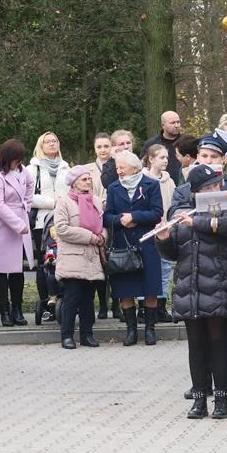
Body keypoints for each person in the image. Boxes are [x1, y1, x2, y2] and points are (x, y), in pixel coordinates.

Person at [169, 133, 227, 400]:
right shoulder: (184, 190)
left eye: (213, 157)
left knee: (225, 329)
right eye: (203, 156)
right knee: (198, 332)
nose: (207, 160)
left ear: (223, 159)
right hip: (193, 265)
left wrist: (203, 222)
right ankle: (200, 383)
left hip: (226, 262)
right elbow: (175, 224)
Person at [157, 165, 227, 419]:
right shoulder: (181, 212)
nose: (214, 190)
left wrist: (197, 221)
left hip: (217, 284)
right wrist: (163, 239)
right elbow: (174, 253)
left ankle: (221, 400)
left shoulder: (226, 208)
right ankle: (198, 399)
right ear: (195, 191)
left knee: (217, 342)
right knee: (196, 345)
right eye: (208, 187)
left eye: (217, 185)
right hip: (189, 287)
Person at [103, 151, 163, 346]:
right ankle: (131, 330)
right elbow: (106, 216)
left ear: (135, 168)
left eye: (122, 167)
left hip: (146, 244)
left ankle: (150, 329)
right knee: (125, 288)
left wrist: (134, 217)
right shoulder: (113, 188)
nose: (118, 171)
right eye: (117, 167)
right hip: (123, 245)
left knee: (150, 287)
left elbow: (157, 212)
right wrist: (120, 220)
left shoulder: (151, 184)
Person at [0, 139, 34, 327]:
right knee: (0, 269)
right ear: (7, 157)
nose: (18, 162)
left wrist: (26, 205)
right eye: (16, 159)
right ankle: (4, 309)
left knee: (17, 268)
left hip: (19, 220)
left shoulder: (22, 171)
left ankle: (17, 309)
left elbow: (30, 186)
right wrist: (18, 223)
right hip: (0, 225)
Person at [53, 166, 105, 349]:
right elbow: (61, 228)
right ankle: (66, 335)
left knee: (88, 300)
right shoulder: (64, 202)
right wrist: (89, 237)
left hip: (92, 258)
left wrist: (102, 236)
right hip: (72, 258)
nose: (88, 182)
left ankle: (87, 334)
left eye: (89, 179)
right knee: (71, 298)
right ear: (74, 183)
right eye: (84, 179)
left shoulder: (96, 201)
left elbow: (102, 224)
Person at [28, 132, 71, 318]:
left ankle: (62, 299)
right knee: (44, 262)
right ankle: (46, 301)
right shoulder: (32, 169)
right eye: (48, 141)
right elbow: (28, 196)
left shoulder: (66, 168)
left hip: (64, 221)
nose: (52, 144)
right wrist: (52, 202)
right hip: (42, 222)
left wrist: (64, 203)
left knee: (63, 259)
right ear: (41, 145)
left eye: (55, 141)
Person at [143, 143, 176, 323]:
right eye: (162, 157)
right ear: (151, 159)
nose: (165, 161)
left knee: (165, 269)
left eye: (167, 158)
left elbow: (172, 204)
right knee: (147, 269)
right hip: (148, 230)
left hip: (165, 228)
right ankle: (145, 308)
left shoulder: (169, 181)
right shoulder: (142, 178)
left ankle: (161, 307)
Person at [83, 132, 113, 319]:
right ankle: (102, 304)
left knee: (115, 263)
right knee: (99, 262)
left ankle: (116, 304)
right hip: (95, 217)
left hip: (113, 217)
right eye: (99, 147)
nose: (103, 150)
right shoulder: (88, 169)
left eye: (106, 146)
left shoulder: (118, 165)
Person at [143, 111, 184, 183]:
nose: (176, 125)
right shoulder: (151, 144)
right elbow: (144, 165)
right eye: (173, 123)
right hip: (159, 184)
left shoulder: (186, 142)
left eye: (178, 122)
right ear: (163, 125)